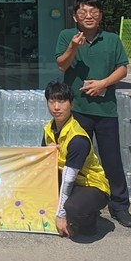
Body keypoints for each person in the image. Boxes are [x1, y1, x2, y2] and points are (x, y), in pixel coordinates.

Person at [55, 0, 131, 228]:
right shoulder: (67, 36)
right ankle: (73, 203)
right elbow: (62, 65)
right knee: (75, 159)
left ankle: (119, 206)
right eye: (83, 12)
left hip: (105, 109)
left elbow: (123, 69)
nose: (88, 16)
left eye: (93, 12)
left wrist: (103, 84)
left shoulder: (112, 39)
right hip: (77, 110)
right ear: (75, 17)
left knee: (112, 159)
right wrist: (73, 47)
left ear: (100, 16)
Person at [42, 81, 110, 238]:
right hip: (70, 182)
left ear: (71, 104)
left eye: (62, 101)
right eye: (52, 101)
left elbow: (68, 180)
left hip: (91, 185)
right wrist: (47, 151)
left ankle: (88, 221)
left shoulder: (78, 138)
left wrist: (61, 216)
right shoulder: (48, 129)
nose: (56, 107)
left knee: (73, 209)